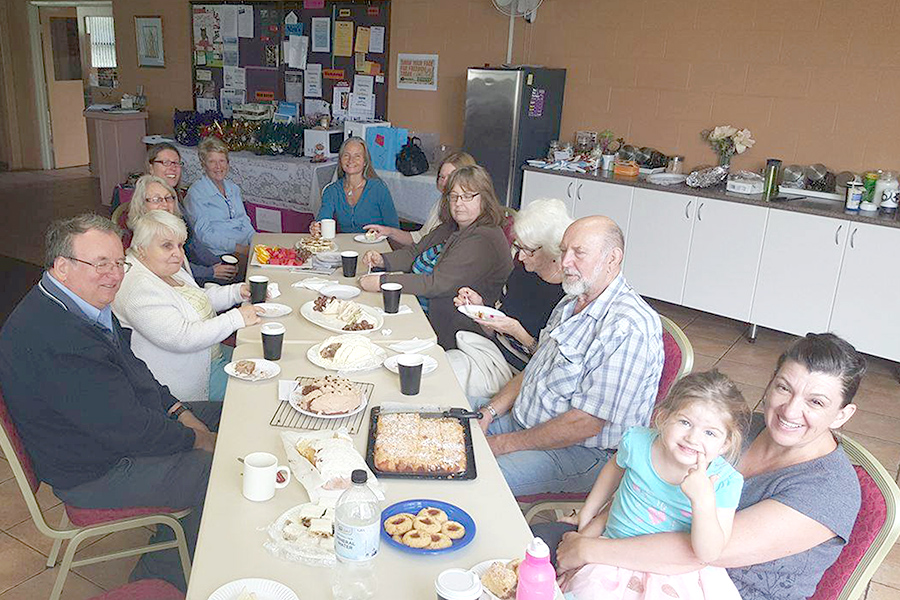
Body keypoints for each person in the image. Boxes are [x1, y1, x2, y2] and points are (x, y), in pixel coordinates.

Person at [547, 333, 865, 600]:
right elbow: (649, 479)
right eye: (784, 388)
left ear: (842, 415)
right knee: (532, 549)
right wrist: (595, 522)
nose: (790, 411)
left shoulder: (829, 491)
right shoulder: (738, 429)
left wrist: (588, 550)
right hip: (634, 552)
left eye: (816, 402)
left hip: (713, 585)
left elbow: (698, 551)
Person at [0, 214, 221, 591]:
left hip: (109, 435)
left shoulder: (82, 303)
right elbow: (129, 431)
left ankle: (178, 537)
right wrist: (196, 439)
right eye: (100, 264)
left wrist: (179, 411)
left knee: (225, 416)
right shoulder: (56, 337)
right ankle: (164, 576)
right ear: (62, 267)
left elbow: (136, 372)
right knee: (215, 473)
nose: (114, 274)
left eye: (119, 262)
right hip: (92, 472)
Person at [470, 215, 665, 496]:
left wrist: (503, 444)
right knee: (445, 416)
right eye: (563, 251)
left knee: (474, 479)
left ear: (612, 259)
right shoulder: (570, 302)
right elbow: (535, 368)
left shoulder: (629, 326)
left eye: (579, 253)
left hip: (580, 453)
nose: (564, 262)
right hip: (524, 422)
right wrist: (489, 412)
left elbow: (585, 424)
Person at [560, 370, 750, 600]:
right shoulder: (637, 441)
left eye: (710, 432)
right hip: (613, 552)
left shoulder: (725, 482)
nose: (693, 438)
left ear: (725, 444)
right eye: (684, 422)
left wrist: (703, 502)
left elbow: (708, 552)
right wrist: (588, 514)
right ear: (663, 417)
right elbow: (614, 469)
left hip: (677, 574)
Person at [358, 165, 513, 349]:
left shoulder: (483, 238)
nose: (458, 203)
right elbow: (414, 252)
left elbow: (437, 283)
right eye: (454, 196)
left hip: (454, 331)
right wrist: (383, 260)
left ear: (485, 198)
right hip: (419, 308)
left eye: (467, 196)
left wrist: (382, 282)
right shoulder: (453, 226)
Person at [113, 210, 261, 403]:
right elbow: (183, 337)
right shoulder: (137, 288)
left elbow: (197, 299)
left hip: (210, 354)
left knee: (265, 360)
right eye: (167, 246)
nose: (178, 253)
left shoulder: (163, 267)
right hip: (190, 379)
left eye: (180, 245)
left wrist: (237, 292)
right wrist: (236, 318)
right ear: (141, 248)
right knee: (260, 391)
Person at [446, 198, 571, 397]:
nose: (520, 257)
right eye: (518, 247)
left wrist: (517, 330)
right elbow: (494, 332)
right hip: (489, 355)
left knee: (448, 380)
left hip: (519, 376)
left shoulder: (567, 297)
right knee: (441, 367)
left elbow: (550, 363)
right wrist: (479, 308)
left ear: (552, 248)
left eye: (528, 250)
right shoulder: (521, 274)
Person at [128, 174, 236, 283]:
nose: (165, 204)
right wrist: (210, 272)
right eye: (156, 199)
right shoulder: (143, 236)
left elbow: (196, 247)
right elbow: (176, 269)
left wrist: (218, 263)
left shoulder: (177, 224)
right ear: (141, 204)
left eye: (168, 198)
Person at [363, 151, 477, 246]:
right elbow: (419, 238)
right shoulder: (441, 202)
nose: (444, 182)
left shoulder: (464, 214)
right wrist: (388, 232)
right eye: (442, 177)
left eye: (451, 177)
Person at [183, 136, 256, 257]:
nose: (218, 166)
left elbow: (244, 221)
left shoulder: (233, 189)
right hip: (220, 253)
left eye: (222, 161)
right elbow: (204, 235)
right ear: (203, 164)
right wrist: (240, 249)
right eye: (212, 161)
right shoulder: (197, 193)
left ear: (228, 163)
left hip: (244, 248)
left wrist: (256, 241)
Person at [311, 136, 399, 234]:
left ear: (365, 161)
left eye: (357, 156)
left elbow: (394, 228)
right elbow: (323, 220)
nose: (351, 160)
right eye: (346, 155)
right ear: (340, 160)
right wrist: (317, 227)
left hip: (376, 246)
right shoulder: (332, 190)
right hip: (347, 247)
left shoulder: (378, 188)